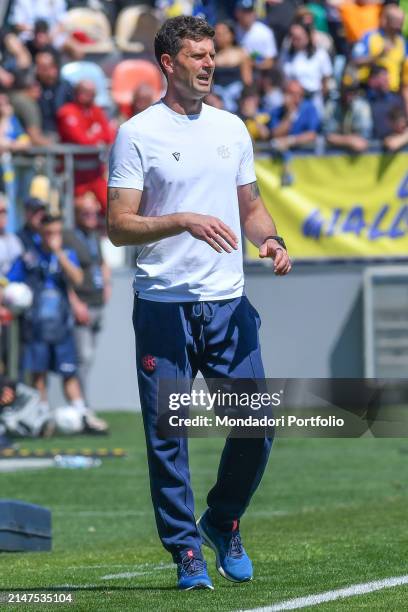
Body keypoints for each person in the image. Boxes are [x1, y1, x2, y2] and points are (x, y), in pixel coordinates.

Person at [107, 15, 291, 591]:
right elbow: (118, 225)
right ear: (169, 62)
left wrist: (270, 239)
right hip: (164, 305)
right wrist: (180, 220)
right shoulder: (138, 133)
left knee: (257, 425)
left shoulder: (233, 128)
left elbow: (251, 205)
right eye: (197, 56)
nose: (210, 63)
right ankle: (186, 550)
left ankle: (222, 518)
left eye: (212, 54)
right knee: (169, 437)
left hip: (227, 304)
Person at [8, 214, 109, 434]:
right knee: (39, 373)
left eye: (57, 233)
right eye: (49, 233)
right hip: (35, 327)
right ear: (40, 233)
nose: (53, 237)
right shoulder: (28, 257)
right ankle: (42, 417)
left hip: (61, 325)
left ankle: (81, 414)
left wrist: (58, 253)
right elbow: (11, 282)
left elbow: (78, 279)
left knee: (68, 372)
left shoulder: (66, 254)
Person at [63, 192, 111, 402]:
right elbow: (64, 274)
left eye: (95, 213)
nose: (93, 217)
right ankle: (82, 404)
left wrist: (107, 283)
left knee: (89, 357)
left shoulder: (93, 236)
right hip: (82, 304)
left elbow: (101, 262)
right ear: (76, 215)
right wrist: (74, 302)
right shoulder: (69, 237)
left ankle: (84, 402)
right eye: (87, 214)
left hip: (97, 302)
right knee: (84, 357)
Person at [57, 80, 116, 213]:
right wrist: (95, 134)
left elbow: (108, 136)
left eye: (92, 93)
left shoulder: (96, 110)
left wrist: (91, 135)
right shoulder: (67, 111)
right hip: (74, 175)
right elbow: (81, 140)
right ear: (77, 93)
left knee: (111, 208)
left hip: (95, 174)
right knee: (79, 210)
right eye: (84, 92)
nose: (89, 96)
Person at [280, 20, 333, 116]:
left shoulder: (320, 55)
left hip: (313, 99)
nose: (295, 41)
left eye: (298, 38)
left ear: (308, 36)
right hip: (292, 102)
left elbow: (326, 80)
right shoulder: (286, 55)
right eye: (293, 37)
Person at [212, 20, 252, 113]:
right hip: (218, 97)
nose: (219, 37)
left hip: (237, 96)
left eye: (223, 33)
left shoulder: (241, 53)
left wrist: (247, 100)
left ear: (232, 35)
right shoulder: (211, 55)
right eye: (217, 34)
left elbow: (247, 80)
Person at [323, 80, 373, 152]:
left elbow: (364, 138)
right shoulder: (331, 106)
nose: (348, 96)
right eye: (346, 92)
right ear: (340, 92)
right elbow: (328, 136)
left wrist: (339, 139)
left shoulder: (363, 106)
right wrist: (350, 141)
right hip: (334, 154)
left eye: (352, 92)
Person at [35, 50, 74, 135]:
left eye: (43, 68)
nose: (39, 72)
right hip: (42, 133)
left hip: (63, 133)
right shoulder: (34, 87)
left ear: (54, 69)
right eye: (38, 68)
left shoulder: (65, 87)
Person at [235, 0, 277, 71]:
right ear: (237, 13)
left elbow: (270, 61)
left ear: (254, 13)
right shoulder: (232, 31)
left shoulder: (265, 32)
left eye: (249, 12)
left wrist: (250, 61)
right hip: (235, 72)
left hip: (260, 72)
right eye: (244, 12)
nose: (247, 15)